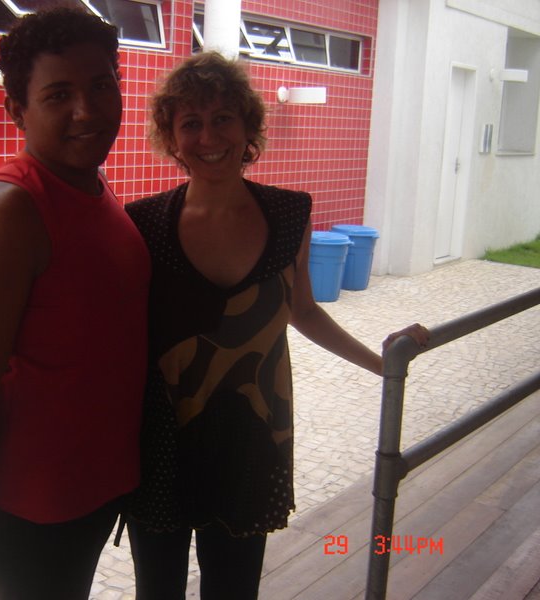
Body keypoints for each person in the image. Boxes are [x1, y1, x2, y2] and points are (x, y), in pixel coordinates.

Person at [124, 52, 429, 600]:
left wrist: (382, 364)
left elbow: (303, 310)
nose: (208, 136)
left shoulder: (290, 214)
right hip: (163, 440)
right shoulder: (144, 223)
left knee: (235, 588)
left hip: (253, 434)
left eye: (223, 118)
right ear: (170, 138)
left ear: (249, 127)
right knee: (157, 590)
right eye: (190, 122)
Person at [0, 7, 150, 599]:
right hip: (37, 508)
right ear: (17, 110)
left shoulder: (92, 184)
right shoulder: (8, 209)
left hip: (99, 489)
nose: (87, 110)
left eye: (101, 86)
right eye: (58, 95)